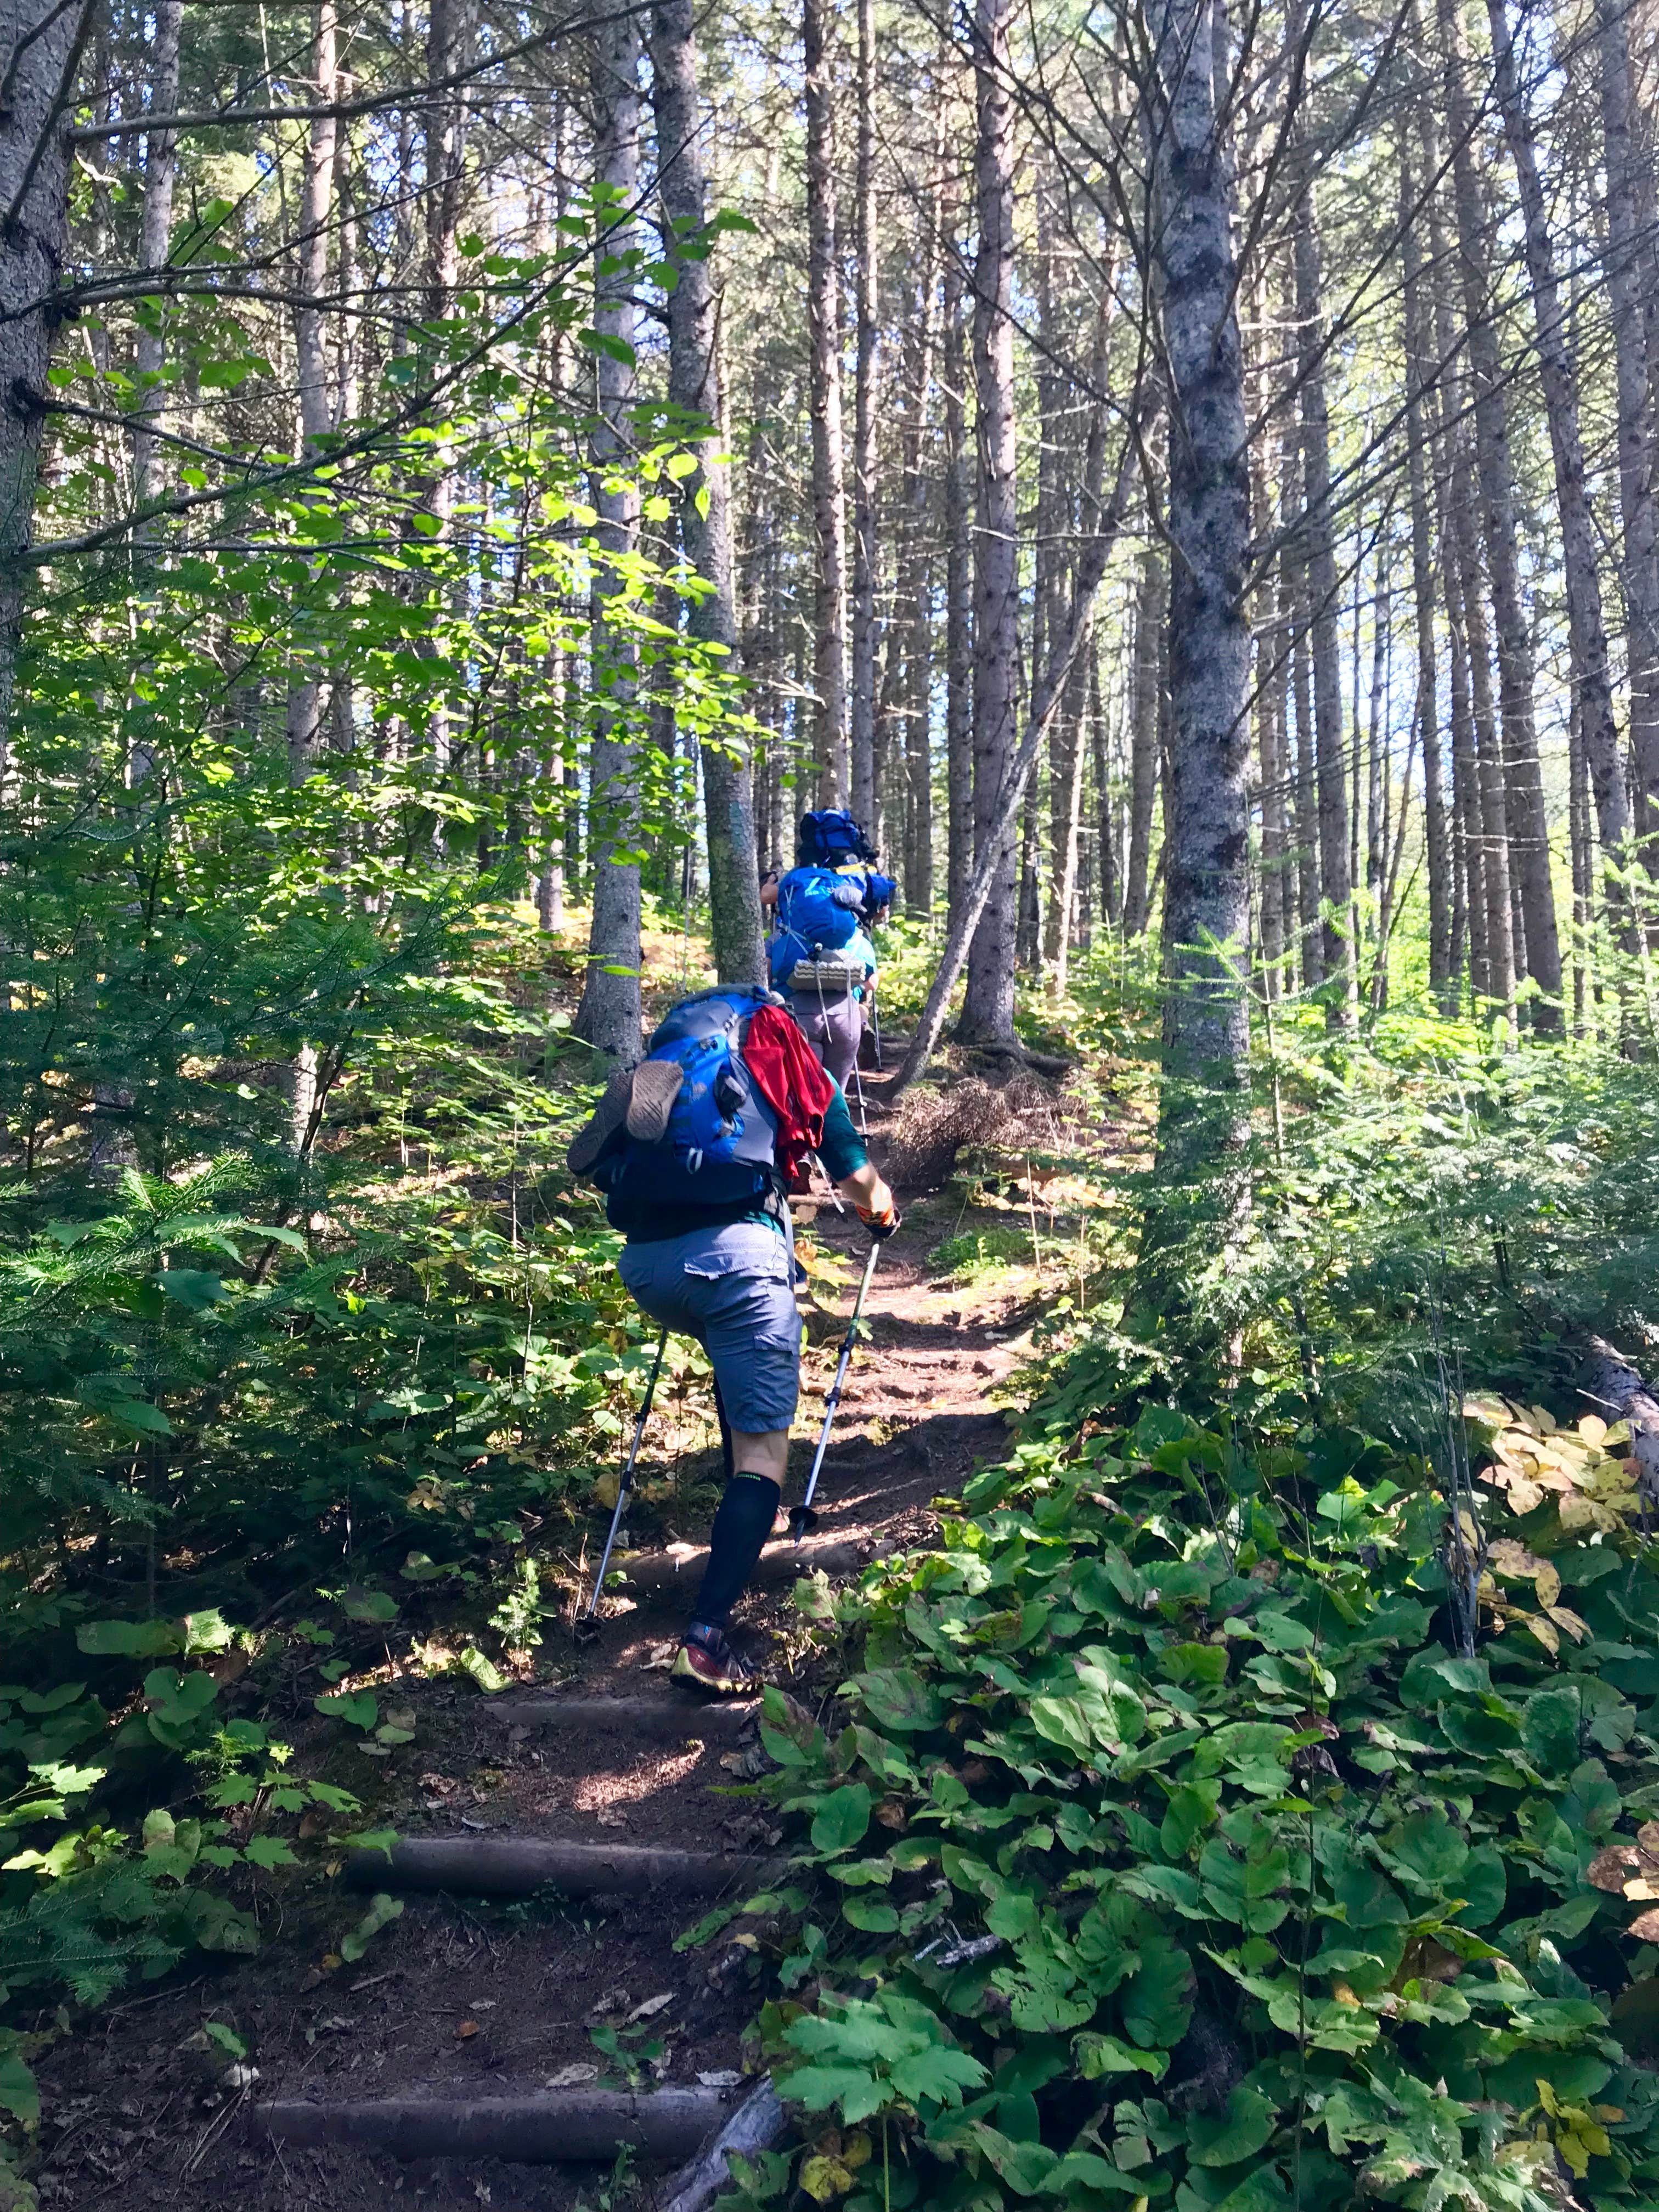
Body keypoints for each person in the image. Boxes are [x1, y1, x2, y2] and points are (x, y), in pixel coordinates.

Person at [567, 984, 899, 1692]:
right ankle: (708, 1638)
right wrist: (882, 1213)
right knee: (764, 1451)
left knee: (733, 1363)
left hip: (649, 1266)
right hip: (737, 1261)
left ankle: (731, 1523)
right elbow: (852, 1171)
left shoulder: (675, 1058)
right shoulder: (778, 1051)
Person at [762, 811, 895, 1092]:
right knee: (834, 1100)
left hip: (798, 1013)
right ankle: (862, 1019)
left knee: (805, 1097)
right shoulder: (856, 939)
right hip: (845, 1015)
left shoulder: (788, 927)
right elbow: (872, 982)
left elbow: (765, 966)